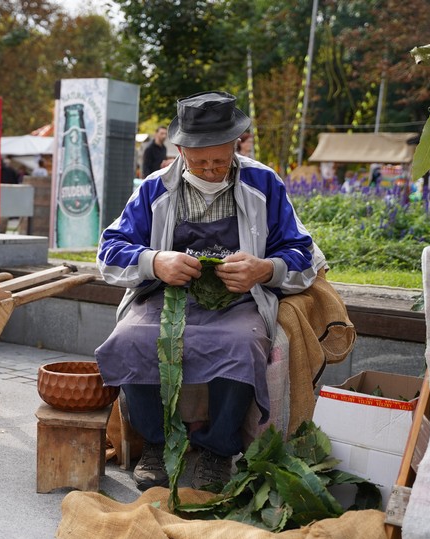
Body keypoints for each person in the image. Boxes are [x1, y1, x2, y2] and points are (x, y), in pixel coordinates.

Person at [95, 91, 319, 492]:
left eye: (221, 160)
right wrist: (155, 262)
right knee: (130, 340)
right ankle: (157, 445)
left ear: (237, 144)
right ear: (180, 149)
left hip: (238, 302)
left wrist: (264, 269)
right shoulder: (153, 188)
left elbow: (303, 252)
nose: (213, 170)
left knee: (242, 342)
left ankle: (218, 450)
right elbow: (109, 252)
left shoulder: (263, 183)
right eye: (200, 162)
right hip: (165, 297)